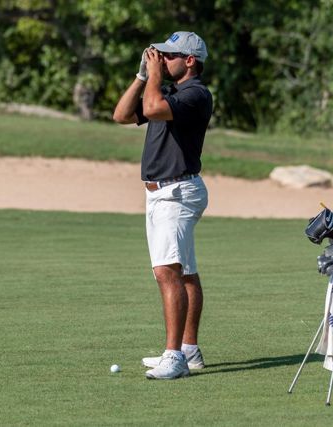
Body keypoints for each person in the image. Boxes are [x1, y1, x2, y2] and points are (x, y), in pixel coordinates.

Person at [112, 31, 213, 380]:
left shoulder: (196, 94)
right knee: (184, 272)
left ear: (190, 61)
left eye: (170, 56)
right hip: (162, 193)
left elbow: (153, 108)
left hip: (176, 192)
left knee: (167, 271)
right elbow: (122, 115)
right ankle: (188, 350)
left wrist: (154, 77)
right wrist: (142, 75)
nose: (163, 59)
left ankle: (174, 357)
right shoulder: (167, 92)